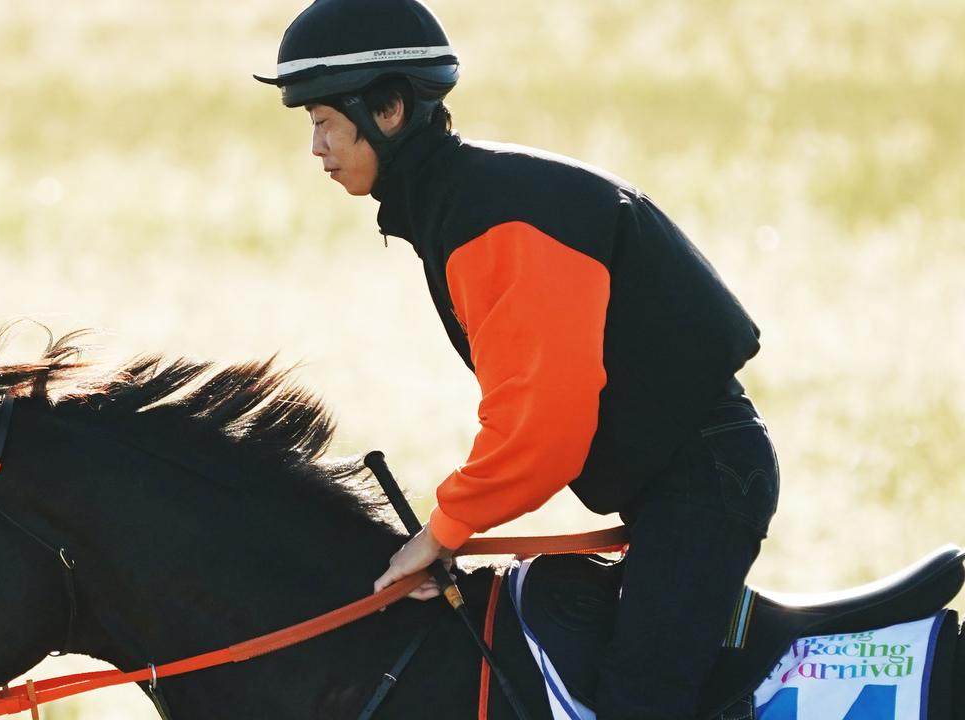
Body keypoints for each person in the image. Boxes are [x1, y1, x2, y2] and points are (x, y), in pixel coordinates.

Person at [255, 1, 780, 717]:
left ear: (389, 107)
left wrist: (441, 532)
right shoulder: (462, 199)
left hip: (705, 479)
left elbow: (543, 430)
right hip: (685, 475)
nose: (315, 146)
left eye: (322, 120)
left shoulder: (488, 216)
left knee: (640, 702)